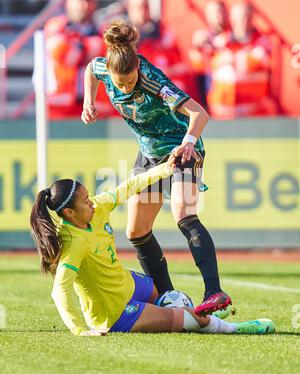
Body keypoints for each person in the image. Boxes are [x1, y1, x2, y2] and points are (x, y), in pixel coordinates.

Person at [81, 20, 232, 316]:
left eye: (129, 81)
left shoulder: (152, 81)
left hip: (180, 149)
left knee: (184, 214)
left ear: (137, 66)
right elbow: (90, 68)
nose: (124, 87)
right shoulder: (104, 68)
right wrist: (89, 101)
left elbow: (199, 113)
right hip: (149, 155)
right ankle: (167, 297)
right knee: (136, 230)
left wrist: (189, 142)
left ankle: (215, 292)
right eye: (119, 83)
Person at [30, 156, 275, 336]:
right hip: (113, 313)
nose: (92, 203)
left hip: (127, 284)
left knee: (169, 297)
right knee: (191, 320)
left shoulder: (98, 207)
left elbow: (127, 187)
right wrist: (80, 330)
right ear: (70, 212)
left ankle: (185, 314)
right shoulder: (74, 243)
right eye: (86, 202)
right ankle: (233, 328)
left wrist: (164, 169)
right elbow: (59, 290)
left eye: (89, 197)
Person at [44, 0, 115, 119]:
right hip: (61, 106)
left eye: (89, 2)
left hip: (96, 107)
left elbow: (107, 58)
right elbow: (64, 55)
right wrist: (86, 48)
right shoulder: (56, 27)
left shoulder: (104, 32)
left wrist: (85, 48)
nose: (85, 6)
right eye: (81, 1)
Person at [206, 2, 277, 119]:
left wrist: (232, 59)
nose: (242, 21)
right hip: (221, 112)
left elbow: (259, 62)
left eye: (245, 16)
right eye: (238, 17)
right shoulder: (221, 40)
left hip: (253, 112)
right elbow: (203, 65)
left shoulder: (262, 41)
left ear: (252, 18)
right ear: (231, 19)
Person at [189, 0, 230, 108]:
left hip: (229, 94)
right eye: (213, 12)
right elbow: (196, 66)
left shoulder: (232, 37)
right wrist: (196, 47)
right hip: (208, 91)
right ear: (207, 15)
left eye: (220, 11)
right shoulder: (202, 37)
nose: (217, 15)